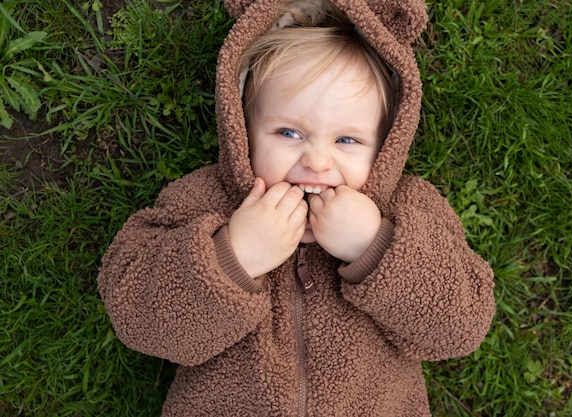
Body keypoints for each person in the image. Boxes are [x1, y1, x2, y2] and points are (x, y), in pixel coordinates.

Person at [97, 0, 496, 416]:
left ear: (384, 146)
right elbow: (139, 321)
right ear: (242, 129)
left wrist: (375, 247)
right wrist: (233, 256)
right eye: (288, 132)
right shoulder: (205, 201)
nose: (317, 162)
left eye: (347, 140)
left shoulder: (408, 210)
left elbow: (460, 329)